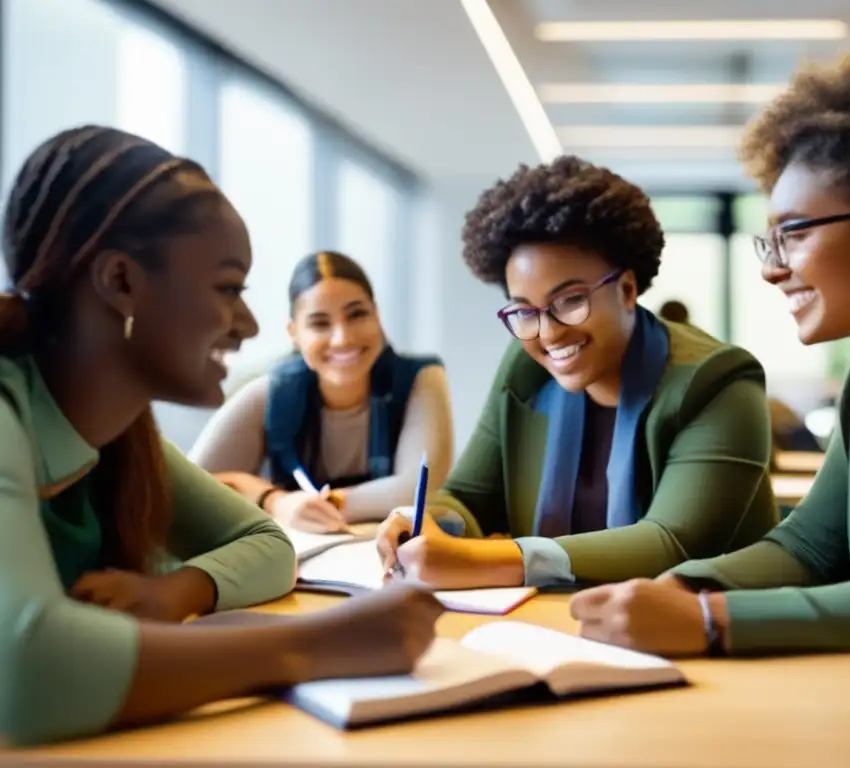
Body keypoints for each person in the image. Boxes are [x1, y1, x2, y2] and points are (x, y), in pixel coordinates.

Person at [567, 54, 850, 767]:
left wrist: (708, 620)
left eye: (795, 233)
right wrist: (686, 584)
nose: (772, 266)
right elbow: (812, 546)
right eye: (770, 237)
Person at [0, 126, 442, 747]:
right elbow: (25, 673)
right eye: (227, 287)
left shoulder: (120, 433)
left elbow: (267, 545)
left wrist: (173, 592)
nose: (249, 322)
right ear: (121, 282)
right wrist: (319, 645)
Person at [375, 155, 778, 589]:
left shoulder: (719, 380)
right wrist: (421, 523)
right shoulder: (526, 368)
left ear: (626, 290)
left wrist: (474, 559)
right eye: (525, 311)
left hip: (705, 632)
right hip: (563, 620)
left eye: (569, 301)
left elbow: (670, 543)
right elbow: (470, 499)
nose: (547, 332)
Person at [189, 251, 453, 532]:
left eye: (357, 315)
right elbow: (189, 485)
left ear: (377, 316)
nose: (342, 339)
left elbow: (417, 488)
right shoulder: (271, 394)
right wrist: (274, 500)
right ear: (294, 334)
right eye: (319, 323)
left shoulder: (420, 380)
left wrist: (324, 504)